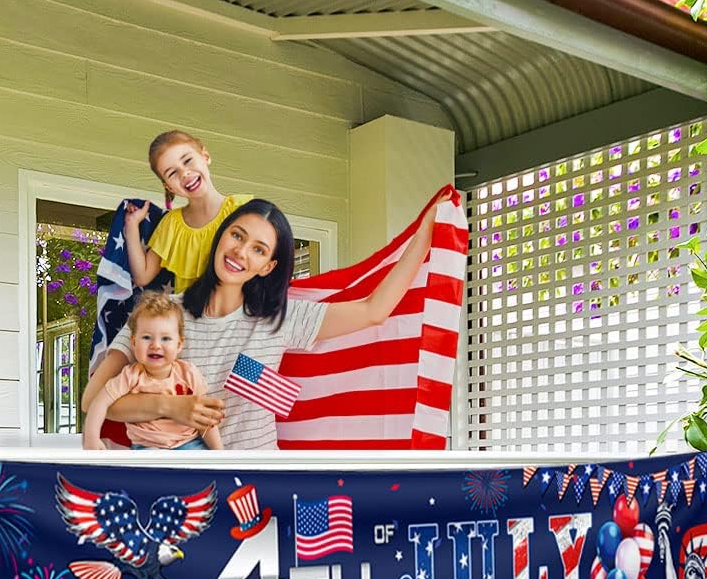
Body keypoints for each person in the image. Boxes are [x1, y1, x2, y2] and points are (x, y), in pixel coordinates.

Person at [84, 191, 453, 450]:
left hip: (257, 485)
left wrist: (424, 236)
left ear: (269, 266)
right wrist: (170, 406)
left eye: (258, 249)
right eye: (236, 236)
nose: (240, 252)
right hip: (185, 488)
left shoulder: (282, 318)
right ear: (219, 237)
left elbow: (375, 311)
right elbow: (92, 401)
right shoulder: (162, 315)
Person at [82, 292, 223, 452]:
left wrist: (219, 454)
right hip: (147, 447)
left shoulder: (188, 373)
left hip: (190, 444)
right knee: (153, 469)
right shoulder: (130, 376)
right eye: (147, 337)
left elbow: (205, 417)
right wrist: (92, 439)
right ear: (133, 343)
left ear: (179, 345)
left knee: (203, 469)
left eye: (165, 339)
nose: (156, 345)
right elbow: (98, 403)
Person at [123, 130, 248, 293]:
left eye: (188, 160)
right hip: (192, 316)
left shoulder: (244, 210)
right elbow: (143, 276)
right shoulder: (172, 224)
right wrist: (131, 225)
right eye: (172, 173)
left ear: (205, 156)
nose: (184, 173)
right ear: (168, 186)